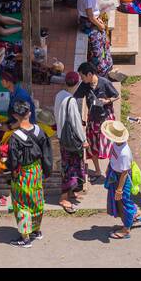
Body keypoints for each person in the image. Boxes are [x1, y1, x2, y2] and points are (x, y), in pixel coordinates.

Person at [5, 100, 51, 247]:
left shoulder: (15, 137)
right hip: (36, 170)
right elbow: (47, 154)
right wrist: (46, 170)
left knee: (22, 203)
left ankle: (25, 238)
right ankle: (36, 231)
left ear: (15, 116)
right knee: (36, 199)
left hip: (23, 173)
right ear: (30, 113)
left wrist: (12, 173)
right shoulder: (39, 131)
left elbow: (13, 160)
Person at [79, 62, 120, 181]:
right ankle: (97, 170)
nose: (81, 79)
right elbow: (76, 97)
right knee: (93, 146)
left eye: (82, 76)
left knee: (109, 146)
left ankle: (111, 170)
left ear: (90, 74)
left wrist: (107, 101)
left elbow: (116, 96)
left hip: (106, 119)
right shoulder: (85, 85)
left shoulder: (105, 82)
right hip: (92, 119)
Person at [103, 120, 141, 239]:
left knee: (123, 202)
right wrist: (108, 167)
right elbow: (112, 157)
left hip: (122, 179)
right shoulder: (116, 144)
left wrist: (119, 190)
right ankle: (135, 213)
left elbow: (125, 173)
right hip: (115, 174)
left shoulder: (125, 153)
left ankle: (126, 229)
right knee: (120, 202)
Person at [53, 72, 86, 213]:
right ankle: (63, 197)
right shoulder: (71, 101)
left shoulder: (59, 95)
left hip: (62, 136)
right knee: (69, 168)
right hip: (71, 140)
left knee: (72, 166)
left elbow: (56, 113)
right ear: (77, 84)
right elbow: (76, 123)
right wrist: (84, 139)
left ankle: (72, 191)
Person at [78, 0, 113, 76]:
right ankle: (100, 70)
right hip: (88, 23)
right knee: (98, 44)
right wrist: (100, 25)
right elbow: (90, 16)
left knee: (104, 40)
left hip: (91, 19)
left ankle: (105, 66)